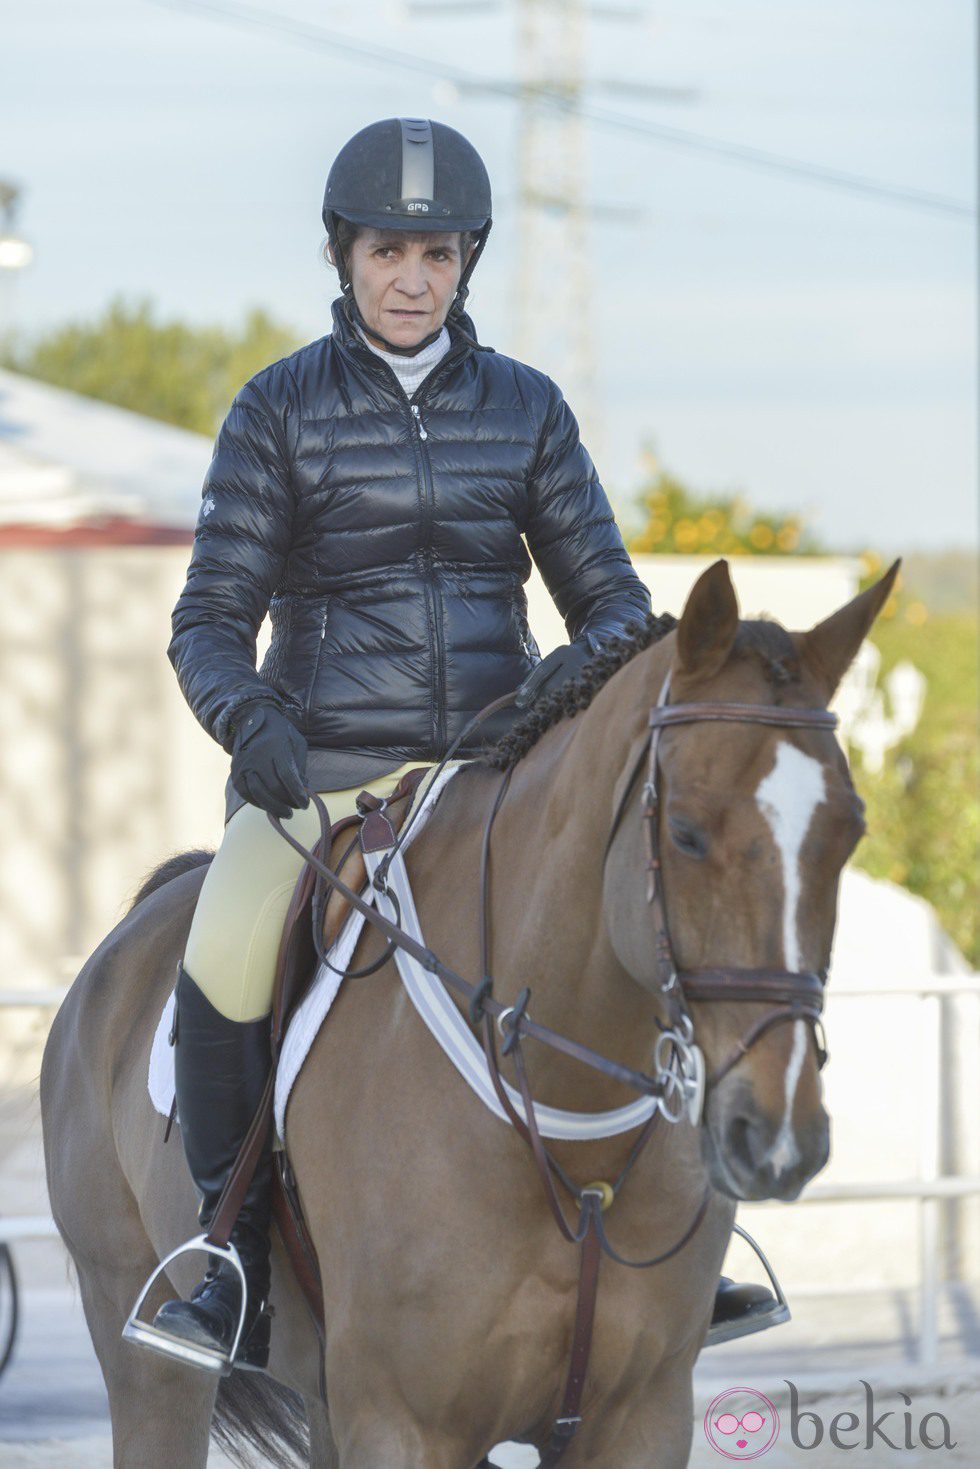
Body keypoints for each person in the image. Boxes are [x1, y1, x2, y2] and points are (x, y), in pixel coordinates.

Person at [137, 118, 780, 1373]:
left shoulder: (527, 410)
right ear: (344, 254)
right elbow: (209, 618)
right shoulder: (275, 411)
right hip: (320, 773)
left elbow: (609, 605)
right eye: (388, 251)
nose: (411, 278)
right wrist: (250, 719)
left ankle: (682, 1244)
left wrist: (555, 699)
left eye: (437, 253)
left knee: (646, 920)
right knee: (220, 944)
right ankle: (224, 1250)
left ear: (467, 262)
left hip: (491, 774)